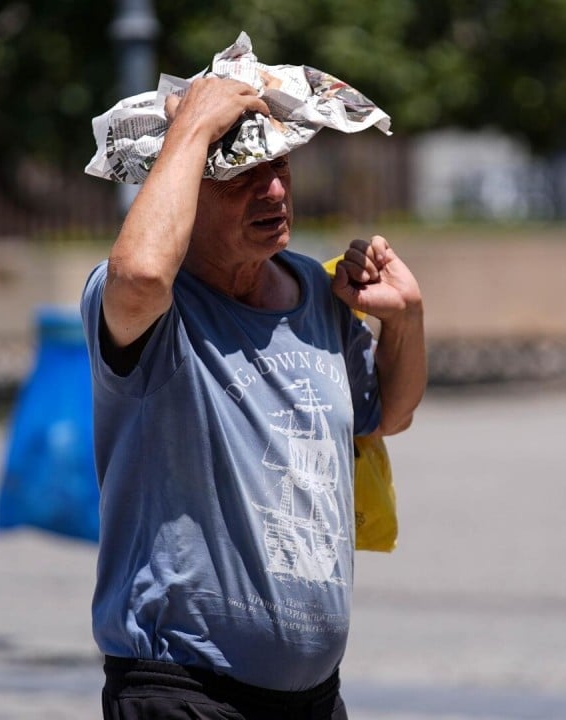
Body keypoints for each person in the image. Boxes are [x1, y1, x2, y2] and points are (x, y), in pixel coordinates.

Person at [82, 76, 426, 719]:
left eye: (280, 168)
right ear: (184, 187)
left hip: (314, 699)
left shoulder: (313, 288)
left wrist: (404, 321)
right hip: (184, 691)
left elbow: (391, 416)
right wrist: (191, 127)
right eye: (241, 175)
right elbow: (142, 271)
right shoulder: (151, 305)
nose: (273, 191)